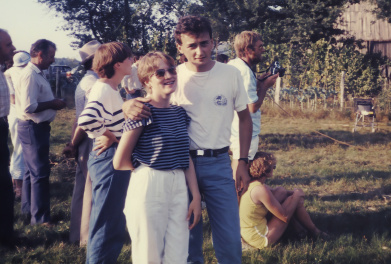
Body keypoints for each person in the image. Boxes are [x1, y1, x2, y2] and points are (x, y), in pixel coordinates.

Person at [123, 15, 253, 264]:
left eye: (204, 43)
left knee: (228, 236)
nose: (199, 51)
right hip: (180, 166)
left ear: (213, 43)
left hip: (218, 162)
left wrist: (243, 160)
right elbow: (145, 101)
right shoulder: (171, 75)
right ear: (180, 47)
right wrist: (127, 105)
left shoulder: (230, 74)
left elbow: (245, 118)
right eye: (192, 45)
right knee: (187, 238)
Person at [113, 51, 202, 263]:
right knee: (148, 253)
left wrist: (195, 195)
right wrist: (146, 170)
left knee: (178, 253)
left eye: (171, 70)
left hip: (179, 184)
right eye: (160, 73)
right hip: (149, 183)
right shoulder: (142, 111)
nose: (168, 76)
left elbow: (184, 155)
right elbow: (119, 161)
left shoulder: (179, 113)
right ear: (147, 81)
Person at [77, 42, 133, 264]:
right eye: (129, 58)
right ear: (118, 64)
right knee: (107, 221)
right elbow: (87, 119)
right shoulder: (103, 89)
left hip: (112, 158)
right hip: (109, 159)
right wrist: (110, 136)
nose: (133, 61)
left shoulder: (110, 88)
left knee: (110, 219)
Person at [15, 39, 67, 226]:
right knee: (40, 173)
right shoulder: (30, 75)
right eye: (51, 56)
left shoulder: (37, 73)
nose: (53, 60)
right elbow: (29, 107)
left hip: (35, 127)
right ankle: (41, 219)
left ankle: (28, 210)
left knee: (31, 171)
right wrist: (54, 103)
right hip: (33, 127)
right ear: (40, 54)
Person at [239, 152, 328, 250]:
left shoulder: (253, 185)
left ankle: (301, 231)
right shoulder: (260, 190)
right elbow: (284, 217)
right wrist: (296, 195)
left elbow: (280, 192)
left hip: (249, 233)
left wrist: (294, 193)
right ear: (267, 170)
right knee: (292, 200)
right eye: (274, 167)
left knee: (282, 192)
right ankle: (314, 231)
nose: (274, 169)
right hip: (259, 238)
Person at [62, 40, 101, 245]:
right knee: (89, 190)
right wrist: (75, 143)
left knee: (82, 188)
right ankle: (86, 238)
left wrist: (72, 142)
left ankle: (77, 234)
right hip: (90, 140)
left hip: (82, 139)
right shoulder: (93, 85)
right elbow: (86, 122)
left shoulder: (85, 81)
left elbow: (78, 118)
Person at [228, 31, 278, 179]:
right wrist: (264, 87)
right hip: (244, 133)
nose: (263, 50)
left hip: (232, 130)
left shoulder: (234, 65)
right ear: (248, 50)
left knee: (235, 170)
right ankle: (238, 201)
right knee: (240, 174)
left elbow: (239, 93)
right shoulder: (245, 72)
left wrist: (259, 82)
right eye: (260, 46)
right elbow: (251, 107)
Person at [5, 51, 31, 200]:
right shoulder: (17, 74)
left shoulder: (9, 72)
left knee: (19, 148)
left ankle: (18, 184)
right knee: (20, 149)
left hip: (16, 114)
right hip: (19, 114)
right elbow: (13, 98)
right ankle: (19, 188)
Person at [0, 29, 16, 247]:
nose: (13, 48)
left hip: (1, 125)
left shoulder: (3, 69)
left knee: (4, 185)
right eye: (8, 45)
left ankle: (5, 234)